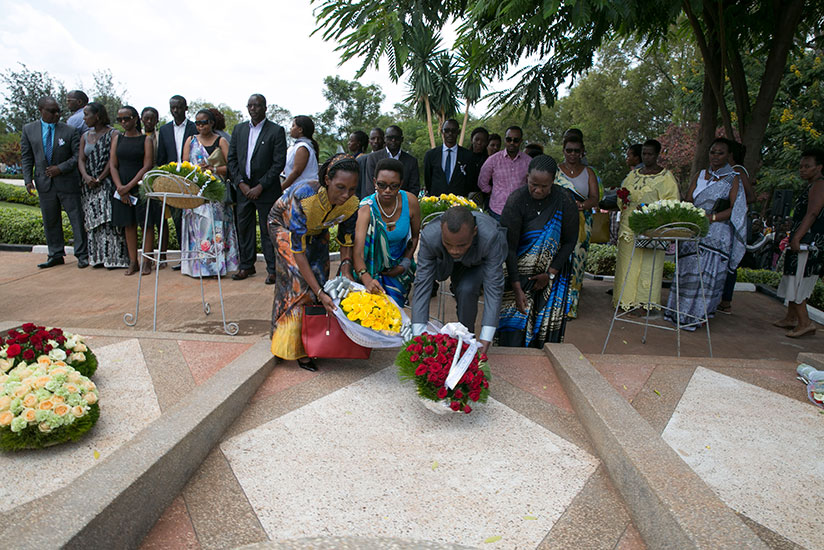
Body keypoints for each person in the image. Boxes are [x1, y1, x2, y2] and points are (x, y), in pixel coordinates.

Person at [268, 154, 361, 371]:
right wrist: (319, 293)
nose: (346, 195)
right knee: (298, 282)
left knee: (320, 276)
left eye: (352, 189)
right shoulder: (304, 197)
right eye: (340, 187)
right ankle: (291, 346)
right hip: (283, 227)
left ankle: (312, 338)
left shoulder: (352, 204)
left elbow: (346, 239)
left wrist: (346, 267)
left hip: (318, 230)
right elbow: (298, 252)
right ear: (327, 180)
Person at [498, 155, 579, 347]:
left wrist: (550, 274)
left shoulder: (565, 200)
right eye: (534, 184)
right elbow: (508, 247)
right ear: (527, 177)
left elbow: (570, 241)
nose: (538, 190)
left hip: (553, 275)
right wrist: (517, 288)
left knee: (545, 335)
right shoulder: (516, 200)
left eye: (544, 186)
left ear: (553, 181)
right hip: (517, 274)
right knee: (513, 331)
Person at [666, 137, 747, 328]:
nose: (715, 156)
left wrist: (712, 218)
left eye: (720, 153)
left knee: (705, 277)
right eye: (713, 152)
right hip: (694, 230)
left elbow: (737, 209)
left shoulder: (733, 179)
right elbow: (689, 199)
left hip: (716, 235)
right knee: (687, 272)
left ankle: (696, 317)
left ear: (728, 156)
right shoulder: (700, 175)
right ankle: (678, 313)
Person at [411, 206, 508, 355]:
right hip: (444, 263)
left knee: (466, 289)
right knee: (430, 284)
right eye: (448, 244)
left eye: (461, 245)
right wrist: (418, 337)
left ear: (474, 232)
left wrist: (485, 339)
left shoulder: (489, 237)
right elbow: (422, 284)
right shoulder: (430, 236)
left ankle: (466, 342)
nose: (454, 251)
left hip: (475, 263)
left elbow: (493, 289)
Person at [612, 139, 680, 312]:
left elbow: (672, 202)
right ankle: (625, 301)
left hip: (652, 228)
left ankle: (644, 304)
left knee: (649, 266)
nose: (647, 157)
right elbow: (622, 196)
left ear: (657, 155)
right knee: (627, 265)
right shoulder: (633, 175)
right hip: (629, 227)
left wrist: (654, 213)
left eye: (650, 154)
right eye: (644, 153)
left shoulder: (666, 177)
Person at [21, 96, 89, 269]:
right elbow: (27, 156)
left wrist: (60, 168)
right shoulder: (29, 130)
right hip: (44, 184)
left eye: (59, 111)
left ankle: (82, 255)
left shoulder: (70, 130)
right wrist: (28, 179)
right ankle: (55, 254)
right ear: (41, 110)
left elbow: (77, 157)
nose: (57, 114)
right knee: (50, 220)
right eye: (52, 111)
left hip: (67, 182)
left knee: (76, 219)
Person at [227, 94, 287, 284]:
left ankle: (272, 270)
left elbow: (278, 163)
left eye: (257, 105)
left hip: (266, 191)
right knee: (244, 229)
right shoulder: (238, 130)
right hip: (243, 191)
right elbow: (232, 160)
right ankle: (246, 266)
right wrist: (242, 185)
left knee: (268, 230)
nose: (253, 108)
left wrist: (260, 186)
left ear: (265, 108)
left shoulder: (276, 131)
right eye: (250, 105)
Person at [179, 109, 240, 278]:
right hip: (195, 190)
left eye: (204, 122)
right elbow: (184, 165)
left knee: (215, 229)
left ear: (212, 123)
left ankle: (215, 268)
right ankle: (196, 268)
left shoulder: (221, 141)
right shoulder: (190, 141)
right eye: (197, 123)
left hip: (215, 191)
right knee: (196, 228)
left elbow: (231, 167)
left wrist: (213, 169)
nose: (200, 126)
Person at [354, 158, 421, 307]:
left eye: (394, 186)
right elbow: (357, 252)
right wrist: (366, 278)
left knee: (394, 312)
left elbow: (415, 236)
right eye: (382, 185)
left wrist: (404, 263)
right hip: (370, 268)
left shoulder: (410, 202)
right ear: (374, 182)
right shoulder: (366, 208)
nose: (387, 191)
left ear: (401, 184)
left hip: (399, 268)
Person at [774, 149, 824, 338]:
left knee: (798, 278)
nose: (802, 170)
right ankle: (791, 317)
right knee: (791, 274)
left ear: (819, 167)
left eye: (807, 166)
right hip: (802, 237)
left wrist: (797, 237)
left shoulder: (820, 185)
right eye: (801, 166)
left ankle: (805, 322)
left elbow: (812, 213)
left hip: (808, 241)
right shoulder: (812, 185)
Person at [77, 102, 128, 269]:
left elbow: (112, 161)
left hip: (106, 183)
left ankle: (114, 258)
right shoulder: (85, 136)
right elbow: (81, 159)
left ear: (97, 115)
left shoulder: (113, 134)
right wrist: (86, 177)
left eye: (87, 114)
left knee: (109, 221)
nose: (84, 118)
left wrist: (99, 178)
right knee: (93, 224)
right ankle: (98, 258)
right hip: (88, 186)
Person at [554, 133, 599, 318]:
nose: (572, 154)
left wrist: (580, 206)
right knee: (557, 261)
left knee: (577, 264)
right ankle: (554, 305)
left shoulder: (588, 172)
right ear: (563, 151)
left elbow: (595, 198)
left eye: (576, 151)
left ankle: (570, 307)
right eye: (569, 150)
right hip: (558, 222)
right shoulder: (556, 170)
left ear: (582, 152)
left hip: (581, 222)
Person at [109, 106, 154, 275]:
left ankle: (147, 262)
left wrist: (130, 186)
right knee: (128, 224)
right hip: (121, 185)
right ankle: (133, 261)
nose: (123, 122)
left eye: (126, 118)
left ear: (136, 119)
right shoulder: (117, 139)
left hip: (141, 185)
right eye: (120, 119)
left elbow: (147, 165)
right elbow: (113, 165)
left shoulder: (145, 140)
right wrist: (120, 187)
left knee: (146, 223)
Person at [157, 95, 198, 268]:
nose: (176, 110)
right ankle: (183, 259)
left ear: (186, 108)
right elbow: (161, 157)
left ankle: (195, 257)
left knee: (192, 220)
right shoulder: (165, 130)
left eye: (179, 107)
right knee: (177, 220)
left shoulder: (195, 127)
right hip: (173, 181)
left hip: (192, 179)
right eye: (172, 107)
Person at [478, 126, 531, 222]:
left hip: (520, 212)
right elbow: (482, 182)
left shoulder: (528, 161)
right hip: (497, 211)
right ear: (505, 139)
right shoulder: (493, 160)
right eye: (509, 139)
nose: (512, 143)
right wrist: (494, 192)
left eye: (516, 140)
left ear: (521, 141)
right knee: (497, 237)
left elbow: (531, 185)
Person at [361, 125, 420, 198]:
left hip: (403, 204)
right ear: (385, 139)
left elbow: (414, 188)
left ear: (402, 139)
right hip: (378, 204)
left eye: (396, 138)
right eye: (390, 138)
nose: (393, 140)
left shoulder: (411, 161)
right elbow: (370, 186)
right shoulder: (373, 158)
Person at [423, 119, 476, 197]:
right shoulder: (431, 155)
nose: (450, 134)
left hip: (459, 203)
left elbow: (470, 181)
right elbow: (428, 180)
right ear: (442, 131)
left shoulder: (468, 156)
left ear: (458, 132)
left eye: (453, 131)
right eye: (447, 130)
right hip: (437, 202)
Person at [281, 115, 319, 192]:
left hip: (304, 192)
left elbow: (296, 172)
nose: (291, 129)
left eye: (293, 126)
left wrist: (280, 188)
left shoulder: (303, 147)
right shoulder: (294, 147)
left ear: (300, 130)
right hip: (297, 190)